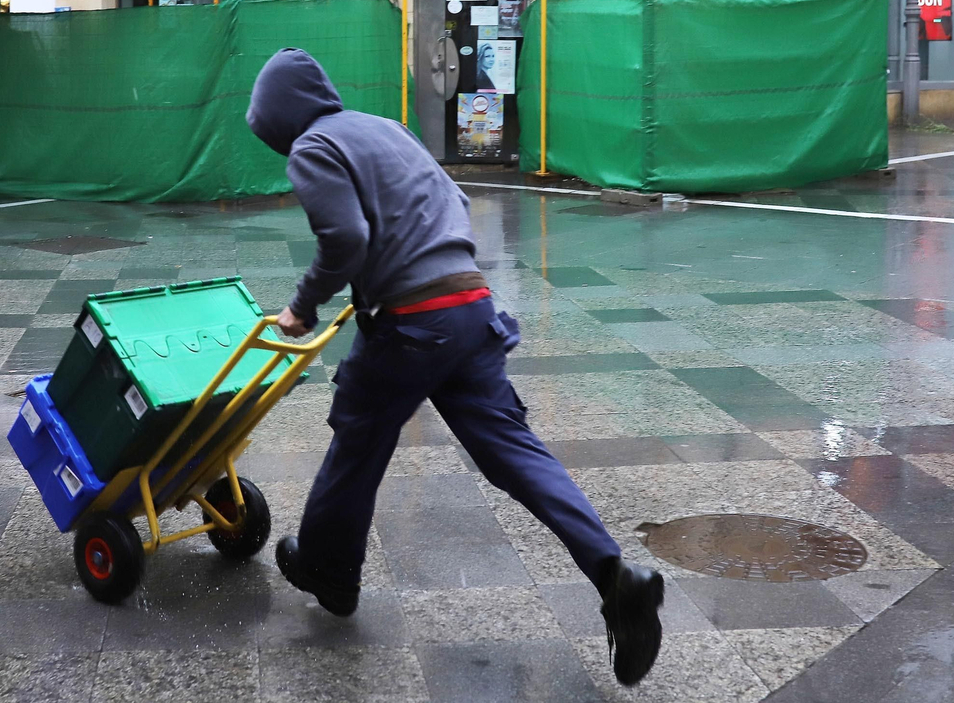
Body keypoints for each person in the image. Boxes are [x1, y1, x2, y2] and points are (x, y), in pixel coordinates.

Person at [246, 49, 665, 687]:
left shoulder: (312, 146)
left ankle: (328, 573)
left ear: (278, 118)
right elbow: (453, 199)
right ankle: (614, 576)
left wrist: (304, 305)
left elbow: (347, 237)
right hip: (471, 303)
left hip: (413, 321)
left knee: (358, 435)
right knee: (514, 451)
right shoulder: (387, 129)